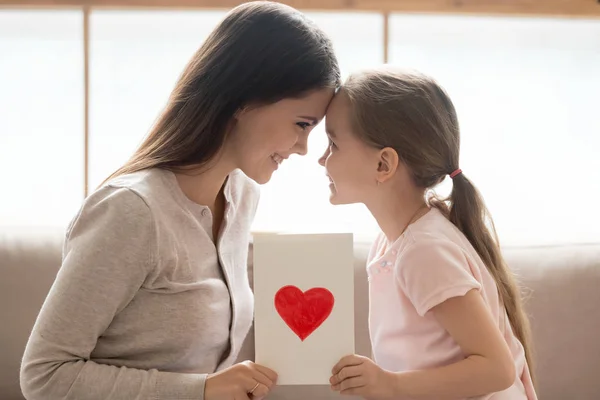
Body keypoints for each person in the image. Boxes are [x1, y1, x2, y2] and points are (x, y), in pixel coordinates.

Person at [20, 2, 340, 399]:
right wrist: (201, 390)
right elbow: (45, 376)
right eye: (301, 124)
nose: (304, 148)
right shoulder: (132, 212)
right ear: (244, 99)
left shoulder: (242, 195)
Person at [320, 67, 537, 399]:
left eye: (333, 143)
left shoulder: (423, 250)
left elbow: (497, 368)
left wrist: (388, 384)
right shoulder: (398, 241)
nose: (321, 159)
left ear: (383, 165)